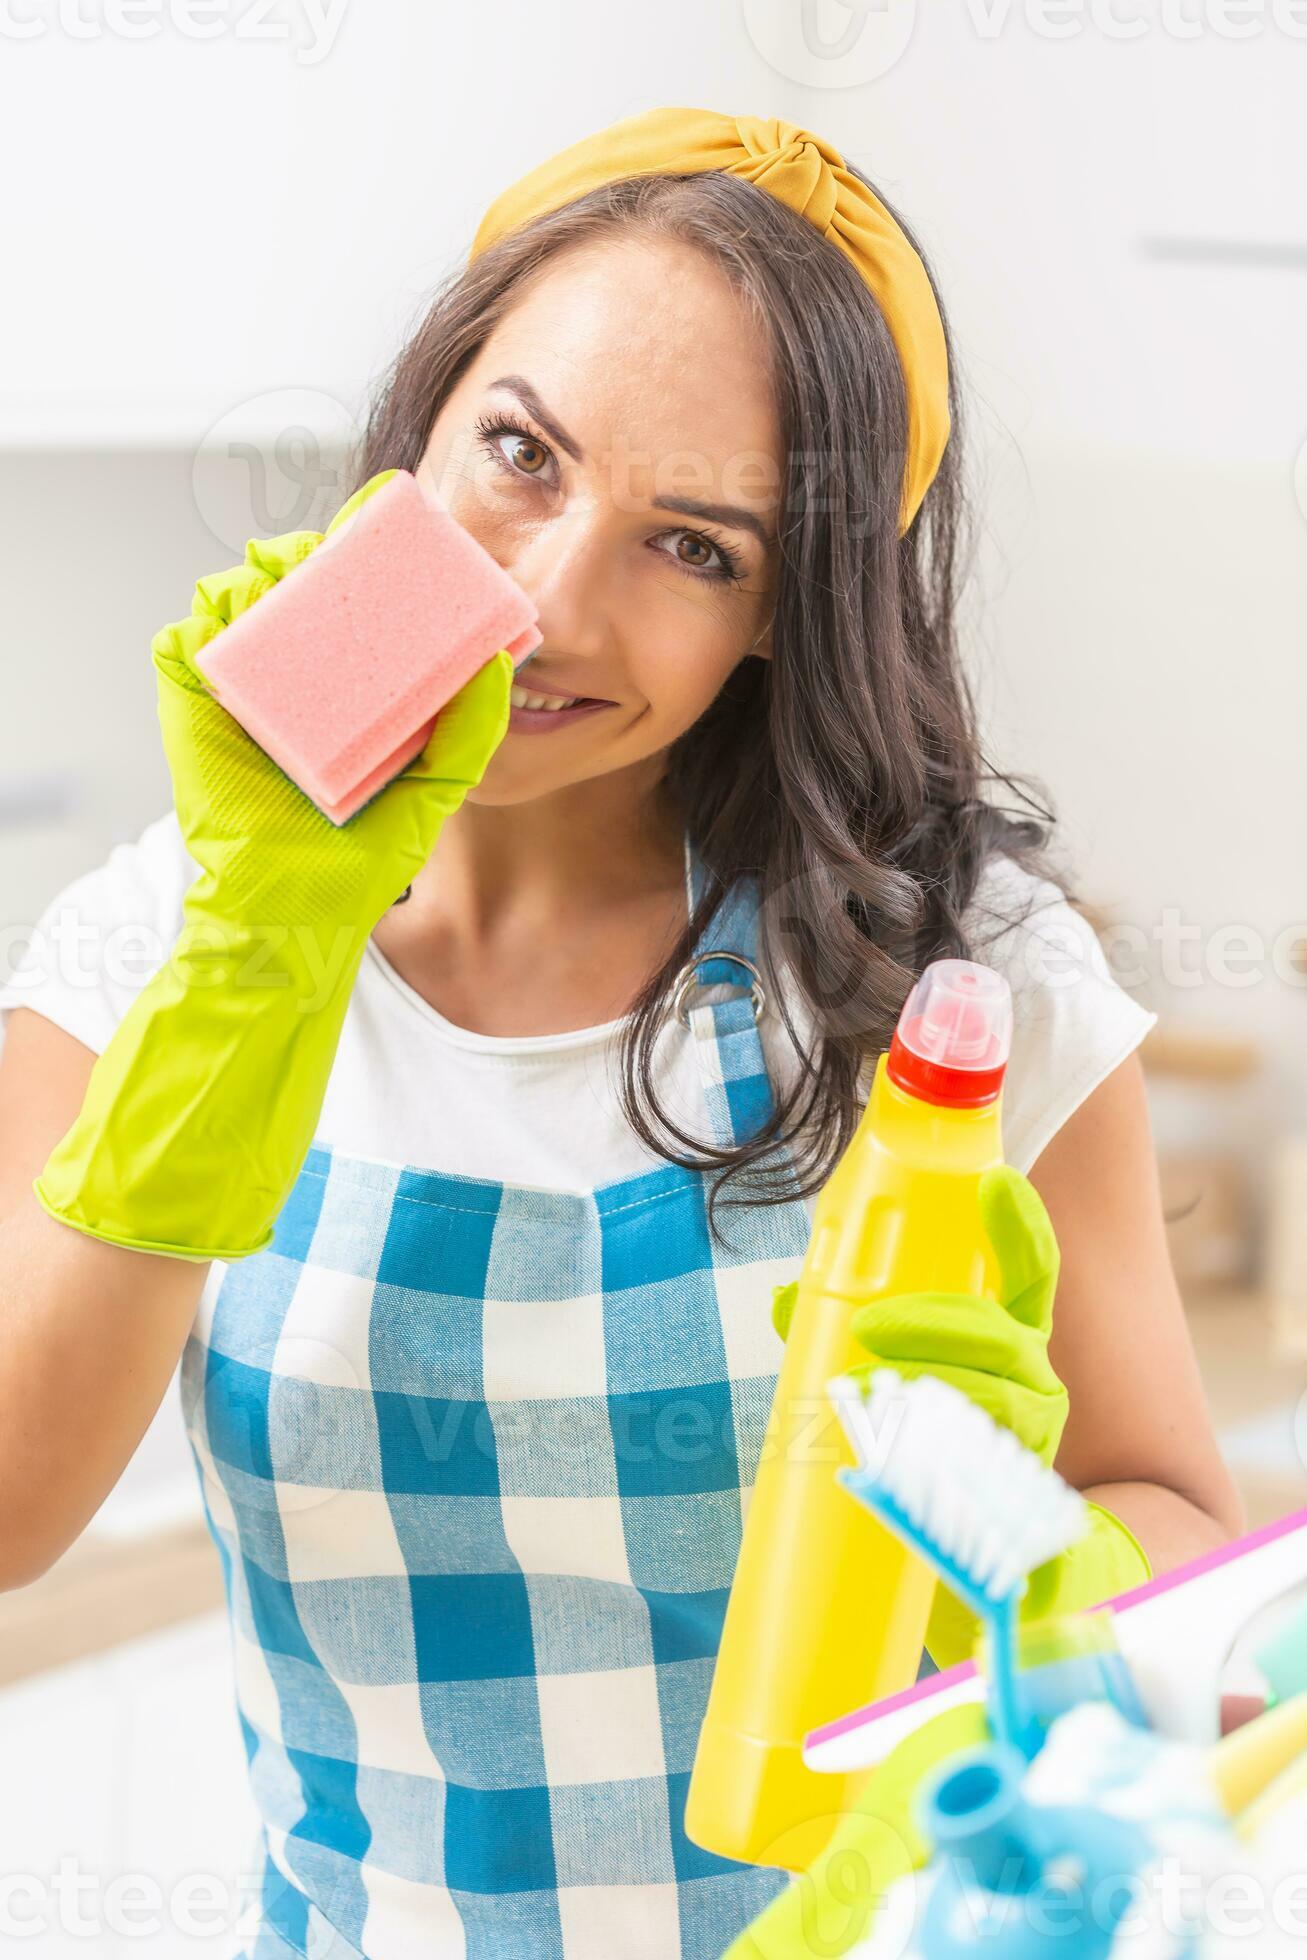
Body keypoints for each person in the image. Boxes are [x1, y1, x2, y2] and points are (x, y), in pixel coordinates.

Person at [0, 107, 1241, 1960]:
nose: (546, 600)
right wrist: (259, 949)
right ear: (420, 424)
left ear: (781, 616)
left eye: (693, 543)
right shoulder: (154, 944)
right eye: (519, 455)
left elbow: (1173, 1522)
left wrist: (1039, 1576)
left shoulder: (963, 983)